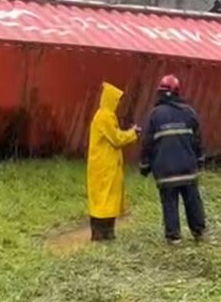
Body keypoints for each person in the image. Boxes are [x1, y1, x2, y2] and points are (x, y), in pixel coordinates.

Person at [140, 75, 207, 244]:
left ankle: (174, 236)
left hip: (165, 171)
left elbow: (147, 142)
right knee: (192, 200)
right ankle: (199, 231)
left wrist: (145, 165)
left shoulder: (155, 115)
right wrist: (200, 160)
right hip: (187, 169)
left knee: (169, 203)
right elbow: (197, 140)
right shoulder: (189, 112)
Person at [86, 82, 140, 241]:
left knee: (105, 199)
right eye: (117, 100)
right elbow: (116, 139)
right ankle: (101, 234)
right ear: (111, 100)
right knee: (104, 200)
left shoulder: (104, 115)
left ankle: (104, 233)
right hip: (104, 166)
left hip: (105, 166)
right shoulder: (105, 116)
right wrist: (132, 133)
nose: (119, 104)